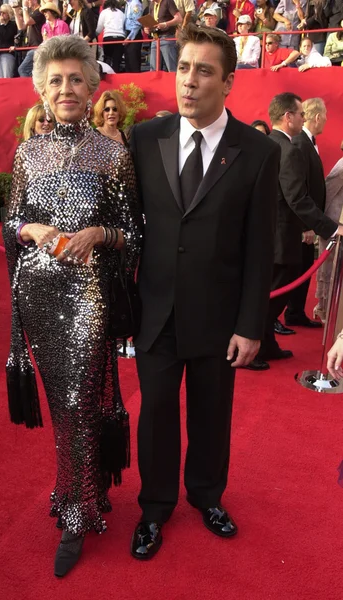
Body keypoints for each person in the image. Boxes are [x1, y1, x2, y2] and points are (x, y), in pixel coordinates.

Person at [129, 23, 280, 559]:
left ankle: (207, 495)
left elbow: (261, 247)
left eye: (203, 71)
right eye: (183, 67)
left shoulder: (258, 152)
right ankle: (154, 507)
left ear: (229, 82)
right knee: (156, 417)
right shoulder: (144, 139)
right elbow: (131, 228)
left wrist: (251, 325)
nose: (188, 82)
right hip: (156, 312)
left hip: (219, 318)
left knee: (213, 416)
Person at [2, 34, 142, 577]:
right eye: (55, 80)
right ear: (41, 89)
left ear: (92, 87)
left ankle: (78, 511)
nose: (65, 89)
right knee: (64, 407)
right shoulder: (27, 153)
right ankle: (77, 492)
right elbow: (12, 222)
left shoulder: (112, 153)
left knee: (82, 402)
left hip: (88, 295)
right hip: (38, 292)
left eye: (75, 79)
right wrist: (30, 226)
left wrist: (98, 234)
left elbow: (135, 230)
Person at [254, 93, 342, 369]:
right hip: (282, 234)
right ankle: (255, 346)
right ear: (288, 117)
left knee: (274, 291)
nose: (304, 118)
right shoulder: (287, 149)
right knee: (276, 293)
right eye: (300, 114)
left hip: (271, 232)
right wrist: (330, 227)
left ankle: (265, 343)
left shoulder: (269, 143)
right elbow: (297, 198)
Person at [283, 98, 328, 328]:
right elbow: (299, 188)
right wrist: (306, 226)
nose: (326, 122)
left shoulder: (307, 142)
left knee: (302, 269)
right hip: (303, 224)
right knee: (295, 270)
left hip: (308, 220)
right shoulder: (300, 143)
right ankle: (290, 313)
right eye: (325, 117)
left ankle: (296, 312)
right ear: (317, 117)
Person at [315, 141, 343, 323]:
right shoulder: (341, 166)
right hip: (333, 223)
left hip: (339, 222)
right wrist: (324, 226)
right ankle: (322, 306)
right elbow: (327, 192)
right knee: (328, 267)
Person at [144, 0, 182, 72]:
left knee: (171, 68)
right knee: (153, 69)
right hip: (155, 38)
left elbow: (179, 18)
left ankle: (174, 82)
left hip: (167, 37)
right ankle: (155, 83)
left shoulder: (168, 1)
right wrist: (147, 28)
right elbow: (152, 22)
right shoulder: (152, 4)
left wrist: (165, 24)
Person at [14, 0, 45, 77]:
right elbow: (21, 27)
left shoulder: (39, 12)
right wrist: (15, 11)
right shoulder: (32, 13)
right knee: (34, 72)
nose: (26, 1)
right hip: (30, 47)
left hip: (37, 46)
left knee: (23, 69)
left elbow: (27, 21)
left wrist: (24, 7)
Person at [96, 0, 125, 73]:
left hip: (108, 38)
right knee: (117, 61)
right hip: (120, 38)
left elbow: (99, 28)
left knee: (107, 59)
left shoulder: (104, 12)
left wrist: (93, 36)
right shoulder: (121, 13)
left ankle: (108, 78)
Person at [0, 3, 18, 78]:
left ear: (8, 13)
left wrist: (2, 24)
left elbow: (7, 36)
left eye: (4, 12)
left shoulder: (13, 25)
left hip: (7, 53)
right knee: (0, 78)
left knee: (7, 76)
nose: (1, 14)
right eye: (0, 12)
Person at [123, 0, 143, 73]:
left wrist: (129, 37)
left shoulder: (135, 4)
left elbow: (137, 23)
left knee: (133, 62)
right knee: (128, 62)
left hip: (134, 35)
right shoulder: (128, 4)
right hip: (128, 33)